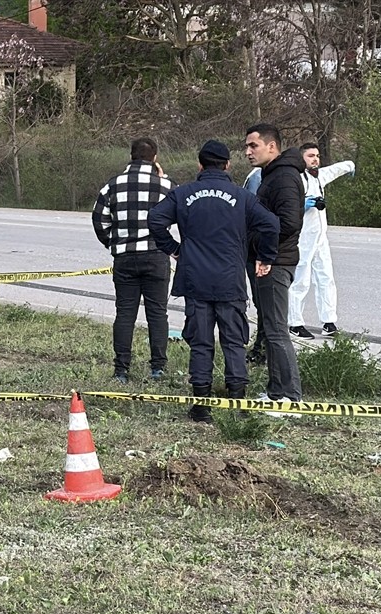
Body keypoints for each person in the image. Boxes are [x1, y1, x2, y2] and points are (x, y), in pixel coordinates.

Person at [148, 140, 280, 423]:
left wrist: (173, 248)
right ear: (227, 165)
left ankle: (201, 406)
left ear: (200, 165)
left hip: (195, 279)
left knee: (201, 342)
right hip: (230, 281)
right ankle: (237, 401)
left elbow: (155, 219)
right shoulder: (242, 196)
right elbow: (271, 224)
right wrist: (265, 257)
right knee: (234, 341)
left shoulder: (182, 194)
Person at [92, 138, 175, 384]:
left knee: (125, 313)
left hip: (125, 257)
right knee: (158, 313)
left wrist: (113, 242)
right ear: (155, 158)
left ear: (130, 156)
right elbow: (182, 216)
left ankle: (121, 369)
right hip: (156, 255)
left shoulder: (112, 185)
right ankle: (158, 367)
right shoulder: (167, 185)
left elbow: (99, 220)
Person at [243, 123, 305, 405]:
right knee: (269, 327)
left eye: (253, 146)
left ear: (272, 146)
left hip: (276, 262)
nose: (248, 152)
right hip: (269, 259)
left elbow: (290, 223)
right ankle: (275, 392)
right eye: (246, 146)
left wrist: (265, 253)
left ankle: (291, 396)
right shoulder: (271, 175)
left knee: (277, 330)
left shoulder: (284, 178)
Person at [288, 142, 355, 339]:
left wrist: (350, 165)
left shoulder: (318, 177)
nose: (315, 159)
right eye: (310, 156)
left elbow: (334, 170)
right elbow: (287, 205)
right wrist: (304, 204)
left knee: (326, 278)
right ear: (302, 159)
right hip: (302, 238)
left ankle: (328, 321)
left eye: (317, 155)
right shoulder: (297, 180)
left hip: (320, 238)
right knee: (300, 280)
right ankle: (295, 322)